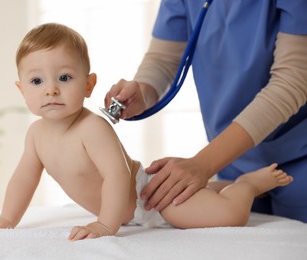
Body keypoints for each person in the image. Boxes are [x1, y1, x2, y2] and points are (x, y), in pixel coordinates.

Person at [0, 23, 293, 240]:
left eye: (64, 78)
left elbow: (117, 176)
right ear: (21, 90)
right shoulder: (35, 135)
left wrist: (106, 224)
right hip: (132, 212)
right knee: (203, 199)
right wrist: (8, 219)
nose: (51, 90)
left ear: (89, 85)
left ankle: (247, 185)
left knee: (229, 217)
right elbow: (24, 178)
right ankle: (216, 187)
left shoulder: (92, 127)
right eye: (37, 82)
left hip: (152, 200)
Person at [104, 0, 307, 222]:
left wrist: (203, 164)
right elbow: (163, 60)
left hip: (297, 158)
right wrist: (141, 94)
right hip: (233, 162)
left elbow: (293, 81)